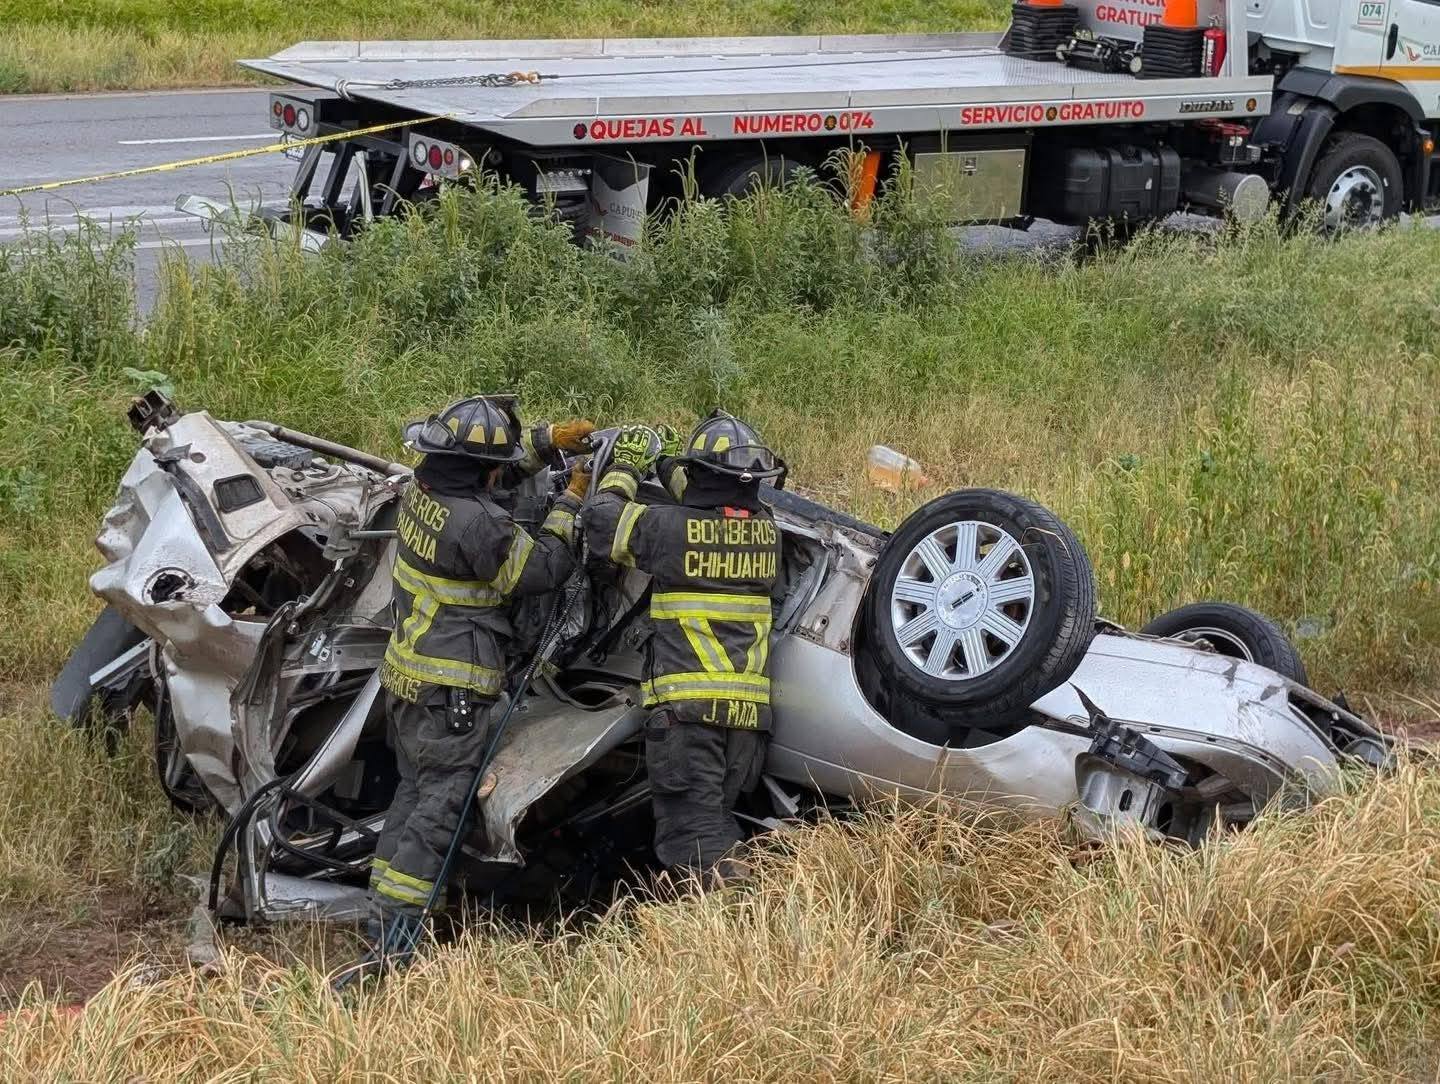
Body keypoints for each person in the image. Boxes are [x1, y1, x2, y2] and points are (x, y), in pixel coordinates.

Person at [360, 395, 593, 977]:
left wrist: (545, 444)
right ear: (478, 469)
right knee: (438, 813)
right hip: (452, 694)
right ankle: (395, 951)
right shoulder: (480, 523)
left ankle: (384, 914)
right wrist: (570, 504)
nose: (499, 474)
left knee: (412, 799)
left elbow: (488, 474)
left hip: (409, 681)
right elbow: (540, 572)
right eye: (496, 465)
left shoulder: (424, 492)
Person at [583, 410, 784, 886]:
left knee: (692, 840)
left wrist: (627, 467)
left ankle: (739, 927)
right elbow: (708, 503)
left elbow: (600, 521)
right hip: (747, 723)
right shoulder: (767, 530)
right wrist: (673, 462)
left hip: (690, 718)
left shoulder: (668, 530)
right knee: (716, 823)